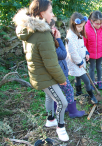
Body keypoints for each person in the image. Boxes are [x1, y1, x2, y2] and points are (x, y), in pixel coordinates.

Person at [13, 0, 69, 141]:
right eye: (50, 11)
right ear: (42, 13)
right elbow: (51, 63)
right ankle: (60, 127)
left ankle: (50, 119)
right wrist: (62, 79)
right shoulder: (42, 33)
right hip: (45, 75)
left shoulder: (29, 29)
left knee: (49, 97)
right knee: (63, 102)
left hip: (38, 74)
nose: (52, 14)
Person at [49, 19, 85, 118]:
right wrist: (59, 39)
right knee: (68, 90)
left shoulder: (50, 40)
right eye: (53, 27)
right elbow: (62, 54)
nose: (55, 29)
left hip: (58, 71)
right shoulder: (50, 41)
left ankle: (61, 109)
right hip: (58, 72)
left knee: (57, 92)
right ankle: (72, 111)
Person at [65, 12, 98, 104]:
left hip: (80, 60)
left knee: (78, 77)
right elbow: (73, 53)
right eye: (79, 27)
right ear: (73, 25)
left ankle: (79, 92)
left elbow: (82, 46)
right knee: (87, 81)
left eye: (82, 26)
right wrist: (79, 63)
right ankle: (92, 96)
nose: (81, 28)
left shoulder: (78, 34)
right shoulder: (71, 37)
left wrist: (86, 52)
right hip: (75, 62)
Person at [84, 10, 102, 90]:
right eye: (97, 23)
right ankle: (92, 83)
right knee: (92, 68)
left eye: (101, 23)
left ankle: (99, 82)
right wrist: (85, 54)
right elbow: (84, 43)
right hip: (90, 54)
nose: (99, 25)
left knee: (99, 67)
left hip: (100, 53)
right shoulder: (86, 28)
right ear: (92, 21)